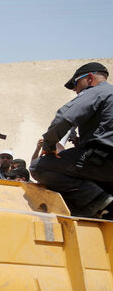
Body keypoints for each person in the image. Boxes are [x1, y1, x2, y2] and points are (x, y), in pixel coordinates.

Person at [31, 62, 113, 218]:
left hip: (102, 160)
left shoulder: (96, 92)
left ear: (89, 78)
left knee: (39, 166)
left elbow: (64, 118)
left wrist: (48, 146)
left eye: (75, 83)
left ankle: (96, 200)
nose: (75, 89)